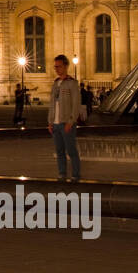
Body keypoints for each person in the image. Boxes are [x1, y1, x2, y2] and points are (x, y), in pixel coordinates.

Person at [48, 54, 82, 183]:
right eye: (55, 67)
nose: (56, 69)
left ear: (66, 66)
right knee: (59, 151)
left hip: (66, 123)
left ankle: (75, 174)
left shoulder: (72, 83)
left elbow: (76, 104)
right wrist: (50, 122)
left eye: (59, 66)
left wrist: (71, 121)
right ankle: (62, 173)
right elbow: (52, 104)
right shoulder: (55, 84)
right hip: (55, 123)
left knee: (71, 151)